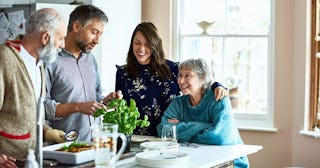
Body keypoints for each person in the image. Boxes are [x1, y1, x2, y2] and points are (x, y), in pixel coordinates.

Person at [115, 22, 228, 136]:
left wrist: (217, 85)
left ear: (155, 45)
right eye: (137, 43)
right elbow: (119, 110)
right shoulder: (122, 73)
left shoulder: (172, 68)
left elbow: (199, 78)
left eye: (147, 44)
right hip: (133, 138)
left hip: (168, 137)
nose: (141, 49)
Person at [0, 8, 67, 167]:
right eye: (61, 38)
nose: (63, 45)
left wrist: (47, 132)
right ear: (46, 37)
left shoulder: (39, 62)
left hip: (31, 160)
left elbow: (23, 115)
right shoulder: (4, 59)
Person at [45, 5, 121, 142]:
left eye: (100, 34)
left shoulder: (90, 60)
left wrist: (106, 101)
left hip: (94, 144)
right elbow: (42, 107)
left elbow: (95, 96)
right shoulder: (49, 60)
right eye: (94, 32)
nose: (97, 41)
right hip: (63, 147)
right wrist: (77, 107)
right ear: (76, 26)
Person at [156, 58, 249, 168]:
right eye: (180, 75)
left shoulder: (218, 98)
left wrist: (182, 128)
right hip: (196, 159)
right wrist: (208, 127)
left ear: (203, 78)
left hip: (230, 161)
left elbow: (220, 136)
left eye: (187, 76)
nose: (181, 81)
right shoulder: (179, 103)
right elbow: (163, 130)